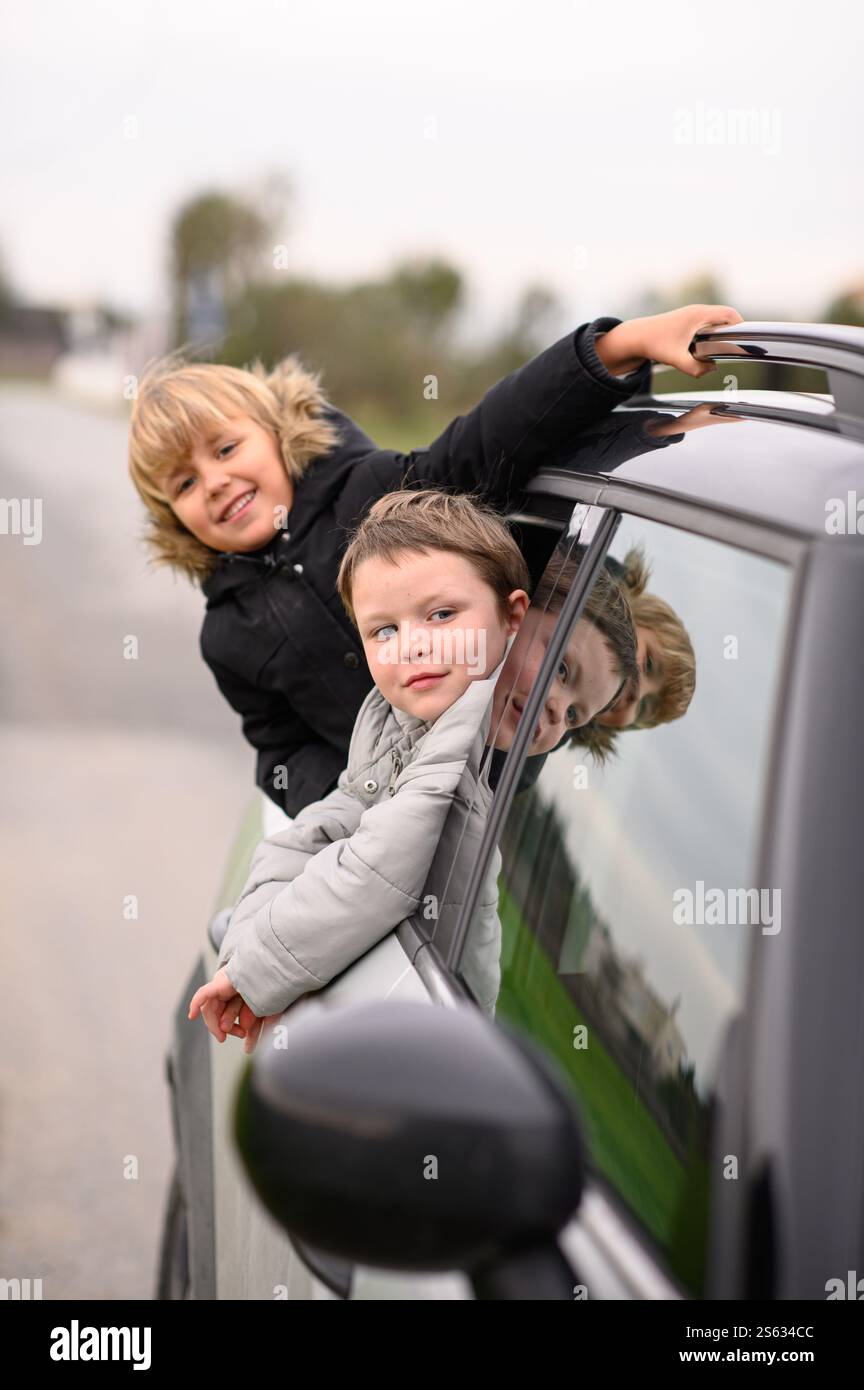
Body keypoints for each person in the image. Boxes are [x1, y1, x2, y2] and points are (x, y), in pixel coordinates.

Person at [129, 304, 742, 818]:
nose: (213, 481)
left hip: (475, 797)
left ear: (276, 431)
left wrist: (620, 347)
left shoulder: (378, 493)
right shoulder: (227, 632)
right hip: (388, 830)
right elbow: (280, 749)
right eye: (182, 484)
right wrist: (353, 808)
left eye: (227, 447)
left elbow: (494, 438)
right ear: (171, 518)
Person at [187, 488, 638, 1046]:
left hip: (450, 1043)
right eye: (384, 631)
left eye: (575, 714)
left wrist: (255, 971)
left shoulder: (458, 743)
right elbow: (327, 824)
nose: (555, 707)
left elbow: (380, 873)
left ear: (510, 617)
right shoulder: (397, 717)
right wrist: (245, 950)